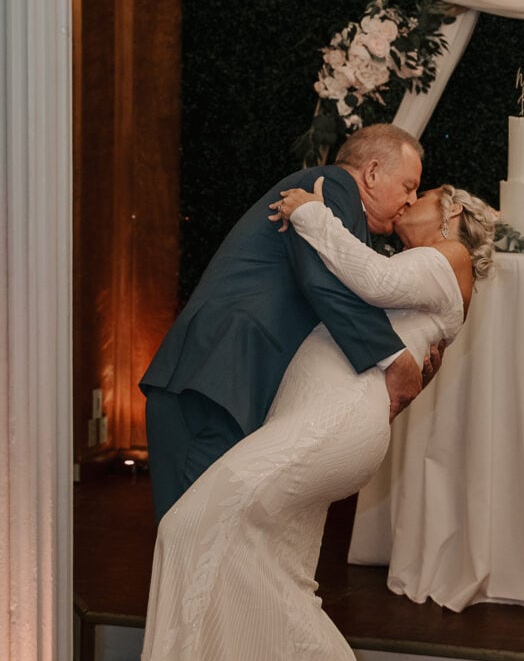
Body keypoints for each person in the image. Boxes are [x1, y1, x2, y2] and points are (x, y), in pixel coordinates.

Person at [132, 177, 496, 661]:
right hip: (314, 418)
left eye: (424, 190)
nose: (411, 196)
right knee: (277, 585)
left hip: (332, 423)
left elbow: (370, 283)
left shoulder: (448, 258)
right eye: (407, 184)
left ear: (451, 217)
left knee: (191, 527)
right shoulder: (413, 265)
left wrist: (310, 213)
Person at [140, 124, 441, 522]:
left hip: (227, 383)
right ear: (370, 173)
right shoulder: (331, 187)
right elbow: (325, 283)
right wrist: (394, 357)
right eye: (407, 185)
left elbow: (348, 292)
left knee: (207, 542)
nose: (411, 200)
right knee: (189, 535)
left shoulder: (340, 209)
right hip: (213, 381)